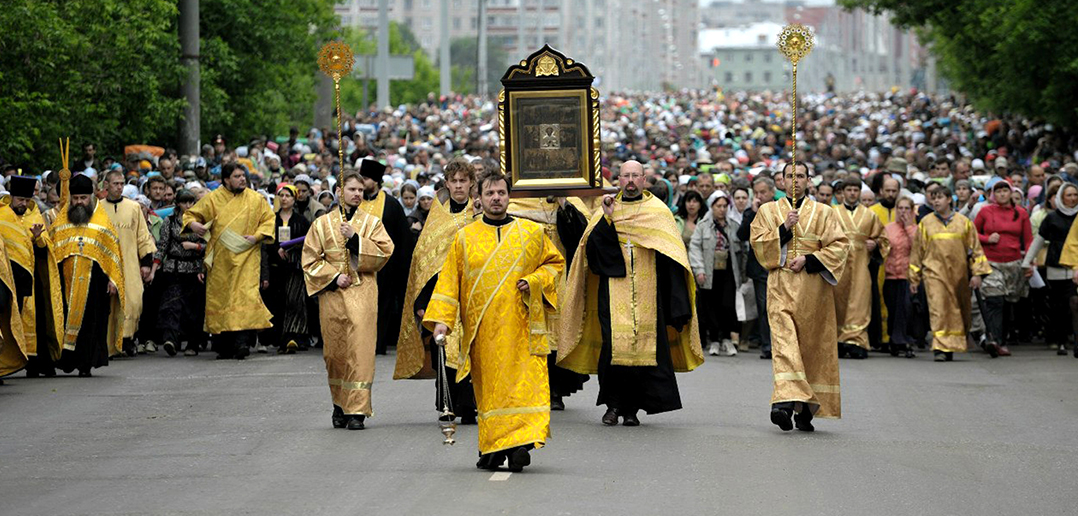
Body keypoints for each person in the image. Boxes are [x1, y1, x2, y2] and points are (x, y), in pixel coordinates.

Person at [425, 169, 564, 472]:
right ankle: (494, 448)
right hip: (483, 332)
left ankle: (520, 445)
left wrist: (535, 280)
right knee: (489, 393)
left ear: (508, 196)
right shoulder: (465, 238)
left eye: (501, 193)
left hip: (522, 328)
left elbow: (554, 264)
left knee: (523, 387)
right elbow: (449, 282)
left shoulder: (530, 233)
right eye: (490, 193)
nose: (496, 198)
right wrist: (441, 321)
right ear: (479, 197)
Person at [557, 160, 703, 427]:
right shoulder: (607, 210)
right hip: (612, 293)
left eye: (636, 175)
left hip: (649, 293)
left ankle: (632, 408)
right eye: (626, 176)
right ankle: (613, 405)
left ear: (644, 180)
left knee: (644, 350)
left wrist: (677, 302)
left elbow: (673, 257)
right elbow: (592, 252)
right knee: (613, 348)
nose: (631, 180)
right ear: (620, 180)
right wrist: (609, 218)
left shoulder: (658, 212)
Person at [750, 162, 849, 432]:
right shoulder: (768, 211)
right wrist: (783, 228)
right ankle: (782, 404)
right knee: (784, 344)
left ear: (809, 181)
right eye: (790, 176)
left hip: (814, 290)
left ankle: (806, 408)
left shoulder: (825, 213)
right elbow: (757, 244)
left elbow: (840, 245)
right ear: (781, 181)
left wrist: (809, 259)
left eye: (801, 176)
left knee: (811, 348)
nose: (795, 180)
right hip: (780, 285)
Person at [302, 171, 394, 430]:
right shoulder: (321, 224)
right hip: (332, 296)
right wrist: (332, 277)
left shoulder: (372, 223)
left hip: (363, 293)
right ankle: (339, 405)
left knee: (360, 351)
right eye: (352, 189)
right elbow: (309, 259)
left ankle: (357, 410)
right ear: (339, 192)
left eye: (361, 190)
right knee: (335, 353)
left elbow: (386, 252)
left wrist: (355, 238)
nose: (357, 194)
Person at [395, 158, 479, 423]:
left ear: (471, 183)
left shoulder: (478, 215)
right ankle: (447, 404)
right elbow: (423, 261)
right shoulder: (437, 217)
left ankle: (471, 406)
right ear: (446, 184)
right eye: (453, 181)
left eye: (463, 181)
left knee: (472, 349)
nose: (458, 186)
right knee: (443, 349)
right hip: (441, 295)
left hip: (474, 293)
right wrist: (422, 301)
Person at [183, 163, 275, 360]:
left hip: (247, 256)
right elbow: (190, 214)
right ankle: (223, 346)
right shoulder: (213, 198)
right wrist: (194, 224)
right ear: (226, 180)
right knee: (222, 300)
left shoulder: (256, 198)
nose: (242, 179)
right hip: (221, 260)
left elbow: (268, 220)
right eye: (237, 176)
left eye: (243, 175)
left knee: (244, 297)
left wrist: (257, 237)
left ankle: (242, 343)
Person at [50, 173, 126, 377]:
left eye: (83, 198)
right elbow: (52, 250)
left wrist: (112, 279)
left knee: (92, 323)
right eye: (75, 198)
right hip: (66, 282)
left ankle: (86, 364)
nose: (79, 202)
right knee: (65, 319)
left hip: (95, 283)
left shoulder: (102, 220)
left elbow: (113, 253)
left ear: (91, 198)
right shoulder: (61, 220)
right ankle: (67, 361)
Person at [909, 185, 992, 361]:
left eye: (940, 197)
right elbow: (917, 252)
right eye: (933, 197)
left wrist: (977, 274)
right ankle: (940, 347)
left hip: (959, 275)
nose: (936, 201)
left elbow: (975, 250)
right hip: (934, 274)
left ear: (949, 200)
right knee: (938, 308)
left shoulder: (964, 223)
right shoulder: (926, 223)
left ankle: (952, 345)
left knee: (958, 310)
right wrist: (914, 278)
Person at [0, 176, 64, 377]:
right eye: (20, 199)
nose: (24, 204)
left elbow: (46, 247)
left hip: (31, 279)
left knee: (37, 320)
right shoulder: (2, 215)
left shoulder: (35, 215)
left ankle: (37, 363)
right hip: (6, 279)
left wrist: (38, 239)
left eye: (27, 200)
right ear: (11, 197)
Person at [354, 159, 414, 355]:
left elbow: (402, 237)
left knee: (382, 305)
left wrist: (402, 267)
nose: (362, 182)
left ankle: (378, 344)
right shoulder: (355, 202)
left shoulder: (391, 204)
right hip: (358, 263)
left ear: (377, 181)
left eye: (366, 178)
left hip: (385, 266)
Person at [100, 170, 157, 355]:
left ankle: (127, 339)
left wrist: (146, 263)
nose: (119, 187)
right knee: (109, 304)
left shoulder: (133, 208)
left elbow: (143, 235)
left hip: (130, 263)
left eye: (121, 183)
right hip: (106, 263)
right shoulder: (98, 208)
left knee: (133, 301)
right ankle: (109, 345)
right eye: (115, 183)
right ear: (106, 185)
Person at [974, 180, 1032, 356]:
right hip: (991, 262)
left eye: (1005, 191)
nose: (1001, 194)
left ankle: (1002, 338)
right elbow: (971, 234)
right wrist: (987, 238)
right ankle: (994, 340)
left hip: (1014, 263)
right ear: (992, 194)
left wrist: (1029, 262)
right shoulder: (985, 211)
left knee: (1008, 302)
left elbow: (1028, 240)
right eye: (997, 191)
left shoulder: (1021, 213)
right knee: (995, 299)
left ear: (1010, 193)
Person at [832, 178, 888, 359]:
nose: (852, 193)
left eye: (855, 190)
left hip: (861, 266)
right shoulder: (833, 213)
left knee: (860, 302)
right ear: (842, 192)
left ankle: (856, 342)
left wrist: (876, 243)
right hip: (838, 266)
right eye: (849, 190)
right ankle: (838, 341)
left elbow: (883, 238)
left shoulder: (870, 215)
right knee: (837, 302)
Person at [1022, 182, 1078, 355]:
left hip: (1075, 268)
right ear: (1061, 197)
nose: (1073, 198)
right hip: (1056, 266)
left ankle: (1073, 339)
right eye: (1068, 195)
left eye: (1075, 194)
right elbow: (1038, 240)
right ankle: (1059, 339)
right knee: (1058, 306)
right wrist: (1027, 261)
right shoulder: (1052, 218)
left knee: (1074, 304)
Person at [689, 191, 745, 357]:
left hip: (728, 270)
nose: (721, 209)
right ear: (712, 207)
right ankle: (714, 340)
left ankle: (727, 339)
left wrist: (742, 274)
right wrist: (699, 270)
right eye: (718, 206)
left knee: (727, 305)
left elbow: (742, 250)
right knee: (710, 306)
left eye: (724, 206)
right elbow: (695, 248)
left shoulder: (733, 225)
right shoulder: (703, 225)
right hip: (709, 270)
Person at [153, 189, 206, 356]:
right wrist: (154, 268)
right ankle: (171, 340)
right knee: (172, 304)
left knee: (193, 308)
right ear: (178, 203)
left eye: (191, 202)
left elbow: (210, 245)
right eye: (184, 202)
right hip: (173, 267)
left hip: (194, 267)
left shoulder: (200, 221)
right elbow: (162, 246)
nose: (188, 206)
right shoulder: (170, 221)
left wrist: (195, 246)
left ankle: (193, 343)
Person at [264, 184, 311, 354]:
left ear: (294, 198)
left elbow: (309, 242)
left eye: (288, 196)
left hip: (295, 267)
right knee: (278, 302)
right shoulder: (272, 219)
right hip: (276, 267)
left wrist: (291, 249)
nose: (284, 199)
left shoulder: (301, 220)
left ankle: (296, 337)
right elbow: (266, 241)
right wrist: (277, 248)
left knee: (296, 301)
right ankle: (279, 337)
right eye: (281, 195)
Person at [739, 176, 776, 359]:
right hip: (760, 267)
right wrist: (754, 213)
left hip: (779, 265)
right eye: (757, 193)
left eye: (763, 192)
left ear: (772, 192)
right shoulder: (750, 212)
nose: (760, 196)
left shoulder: (780, 209)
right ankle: (767, 345)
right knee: (764, 306)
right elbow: (742, 234)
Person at [882, 196, 918, 358]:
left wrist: (909, 226)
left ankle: (904, 340)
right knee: (893, 308)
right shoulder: (889, 227)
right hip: (890, 275)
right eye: (900, 208)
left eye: (906, 208)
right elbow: (883, 246)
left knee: (905, 309)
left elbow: (917, 247)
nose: (903, 212)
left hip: (907, 275)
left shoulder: (916, 229)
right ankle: (894, 340)